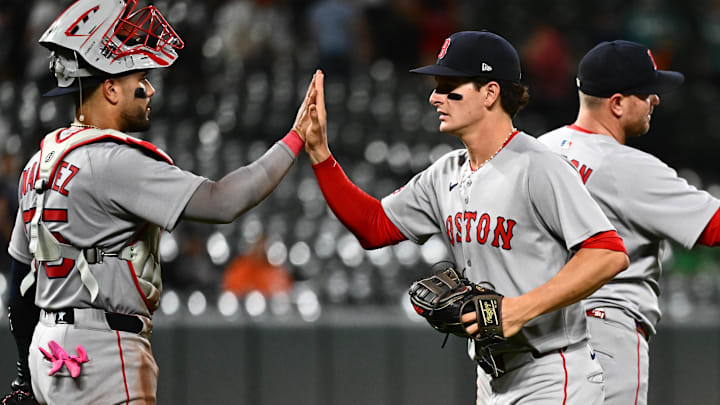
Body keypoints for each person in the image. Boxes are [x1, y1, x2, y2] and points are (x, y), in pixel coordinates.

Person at [4, 0, 317, 404]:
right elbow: (222, 202)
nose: (149, 88)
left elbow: (19, 286)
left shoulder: (41, 162)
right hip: (99, 353)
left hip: (48, 352)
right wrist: (294, 139)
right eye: (140, 75)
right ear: (111, 87)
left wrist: (23, 377)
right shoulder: (113, 160)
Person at [303, 31, 629, 404]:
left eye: (449, 86)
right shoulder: (445, 174)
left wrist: (518, 309)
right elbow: (373, 226)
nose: (434, 97)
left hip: (554, 373)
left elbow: (608, 252)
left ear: (490, 93)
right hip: (491, 378)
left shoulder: (538, 166)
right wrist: (320, 154)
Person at [538, 40, 720, 405]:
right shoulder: (627, 167)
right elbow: (714, 227)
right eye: (646, 92)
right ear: (617, 103)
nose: (655, 100)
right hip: (603, 333)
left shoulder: (537, 150)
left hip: (536, 336)